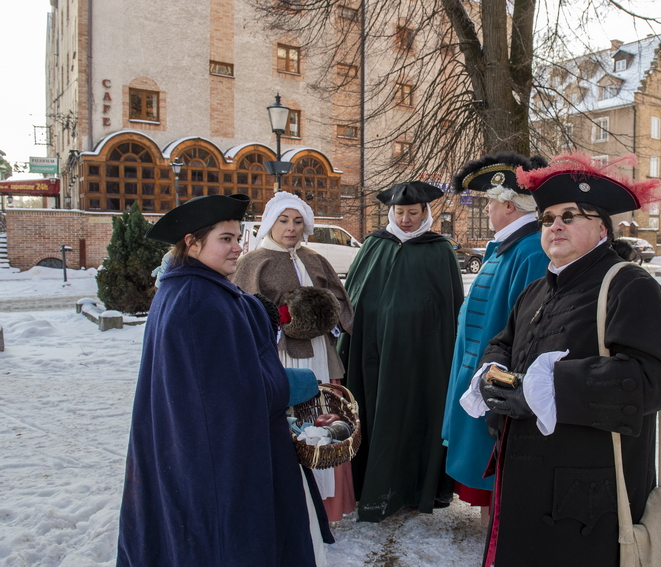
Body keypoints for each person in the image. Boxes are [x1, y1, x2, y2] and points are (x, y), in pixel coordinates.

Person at [461, 153, 661, 566]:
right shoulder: (537, 290)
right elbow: (503, 343)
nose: (555, 225)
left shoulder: (629, 287)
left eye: (570, 215)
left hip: (587, 501)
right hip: (526, 485)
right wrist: (492, 372)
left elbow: (652, 379)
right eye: (547, 219)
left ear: (602, 228)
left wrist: (543, 389)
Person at [117, 194, 333, 567]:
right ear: (192, 242)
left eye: (238, 238)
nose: (237, 248)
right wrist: (290, 385)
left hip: (200, 450)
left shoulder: (192, 288)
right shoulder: (196, 301)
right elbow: (230, 395)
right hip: (216, 461)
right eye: (225, 239)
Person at [340, 181, 464, 522]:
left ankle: (413, 491)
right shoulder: (373, 246)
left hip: (421, 358)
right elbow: (355, 299)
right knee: (374, 412)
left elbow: (450, 307)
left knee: (416, 416)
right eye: (400, 212)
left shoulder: (440, 250)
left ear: (426, 212)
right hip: (373, 355)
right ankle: (370, 487)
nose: (406, 219)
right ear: (390, 212)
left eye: (413, 213)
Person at [231, 191, 356, 523]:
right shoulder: (253, 262)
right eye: (284, 220)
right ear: (270, 222)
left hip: (319, 352)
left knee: (323, 418)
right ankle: (291, 504)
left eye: (298, 221)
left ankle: (326, 504)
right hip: (281, 357)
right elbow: (245, 312)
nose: (291, 228)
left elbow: (341, 302)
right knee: (290, 422)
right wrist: (286, 317)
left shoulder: (315, 259)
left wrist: (328, 316)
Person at [441, 153, 550, 525]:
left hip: (500, 376)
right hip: (481, 369)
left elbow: (529, 329)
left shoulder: (531, 250)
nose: (486, 208)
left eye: (489, 200)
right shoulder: (509, 245)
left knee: (497, 467)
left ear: (507, 203)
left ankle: (500, 533)